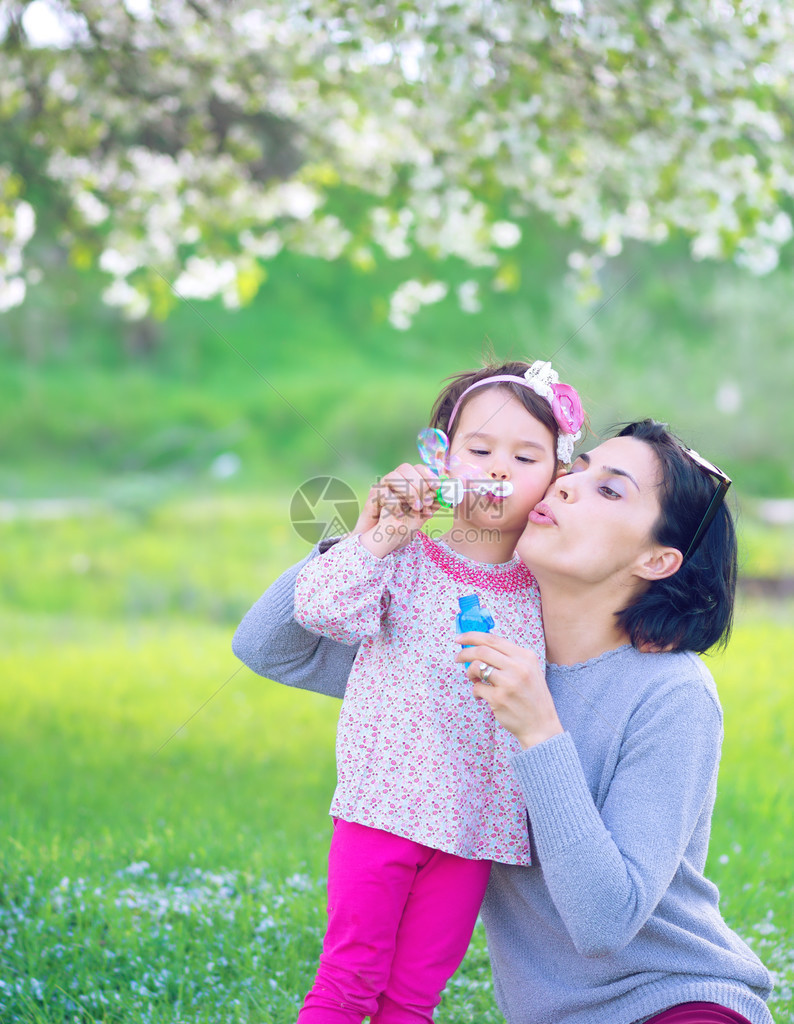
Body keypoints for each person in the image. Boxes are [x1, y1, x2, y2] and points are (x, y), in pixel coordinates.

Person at [233, 409, 775, 1024]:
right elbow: (267, 646)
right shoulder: (465, 650)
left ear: (656, 561)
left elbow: (604, 923)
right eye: (574, 470)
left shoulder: (672, 694)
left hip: (676, 1002)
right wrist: (368, 545)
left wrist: (538, 729)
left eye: (609, 490)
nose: (565, 485)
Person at [286, 359, 586, 1022]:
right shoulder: (408, 554)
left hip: (474, 828)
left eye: (525, 455)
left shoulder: (547, 589)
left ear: (557, 478)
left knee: (413, 1000)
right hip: (381, 808)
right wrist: (381, 534)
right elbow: (320, 610)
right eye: (479, 449)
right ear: (441, 456)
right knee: (348, 980)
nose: (498, 468)